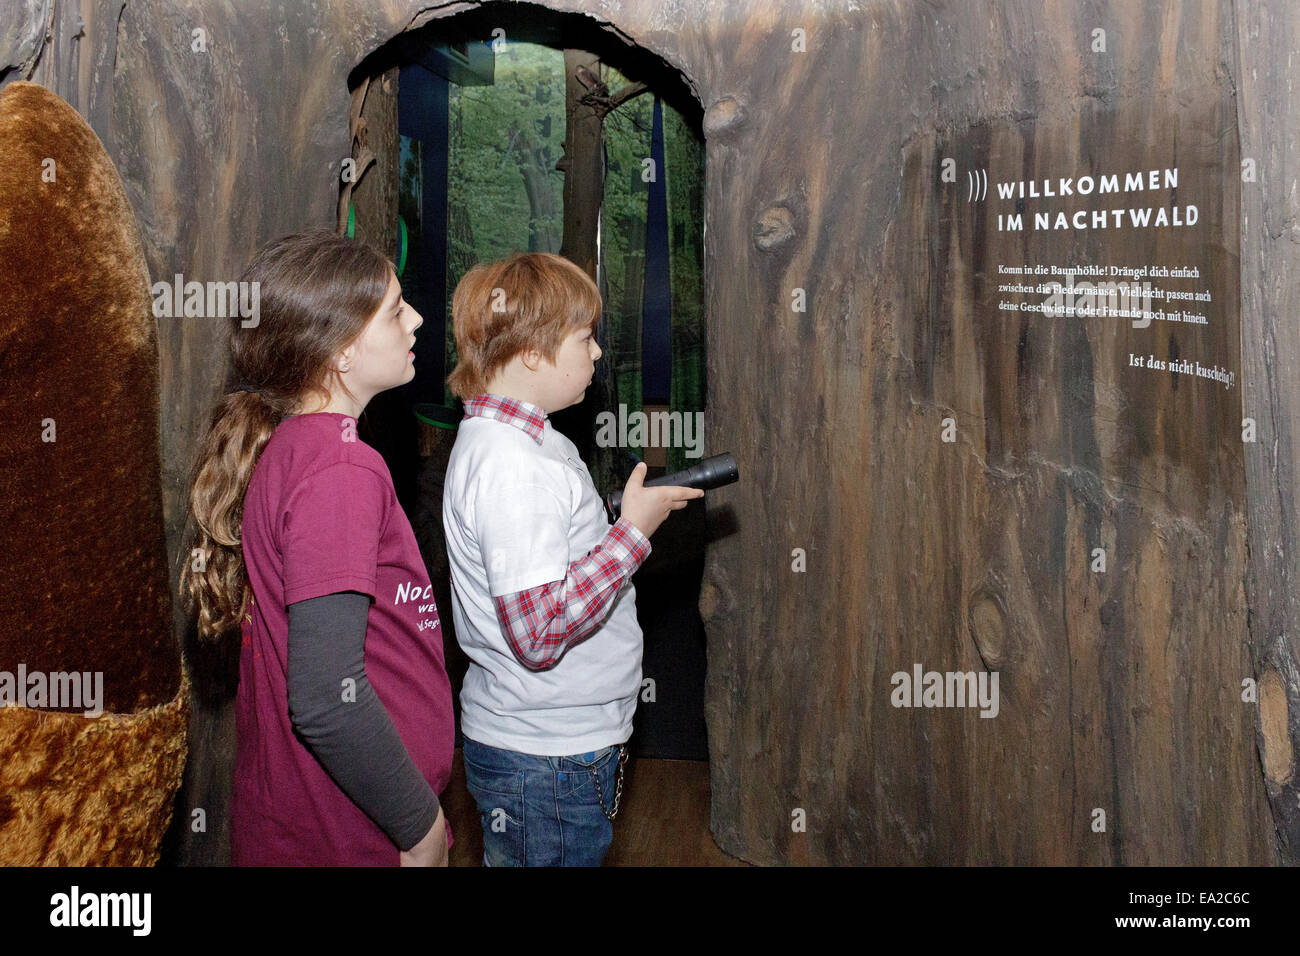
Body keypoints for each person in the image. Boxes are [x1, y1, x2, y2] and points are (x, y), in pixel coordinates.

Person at [179, 230, 455, 866]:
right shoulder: (338, 470)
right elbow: (329, 696)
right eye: (394, 310)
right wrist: (420, 829)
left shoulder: (296, 447)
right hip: (349, 836)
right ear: (340, 352)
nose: (415, 319)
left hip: (317, 821)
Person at [442, 252, 703, 866]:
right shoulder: (515, 466)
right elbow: (540, 631)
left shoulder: (522, 441)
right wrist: (632, 535)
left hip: (547, 751)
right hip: (546, 760)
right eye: (584, 337)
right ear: (532, 351)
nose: (596, 354)